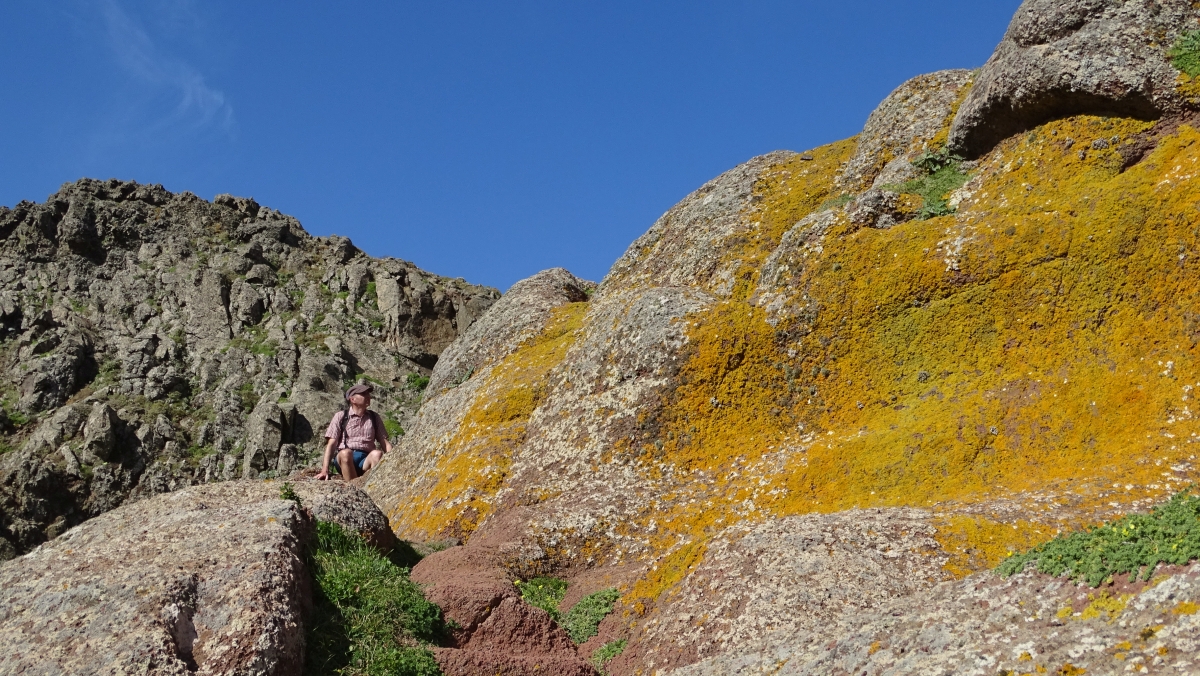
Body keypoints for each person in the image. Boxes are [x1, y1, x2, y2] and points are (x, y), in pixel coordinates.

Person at [315, 383, 392, 480]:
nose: (368, 396)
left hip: (365, 459)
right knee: (345, 453)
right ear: (352, 399)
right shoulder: (341, 416)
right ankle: (353, 488)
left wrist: (393, 463)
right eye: (363, 394)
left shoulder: (374, 417)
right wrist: (325, 469)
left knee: (377, 454)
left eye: (368, 394)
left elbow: (385, 443)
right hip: (345, 459)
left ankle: (371, 487)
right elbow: (331, 444)